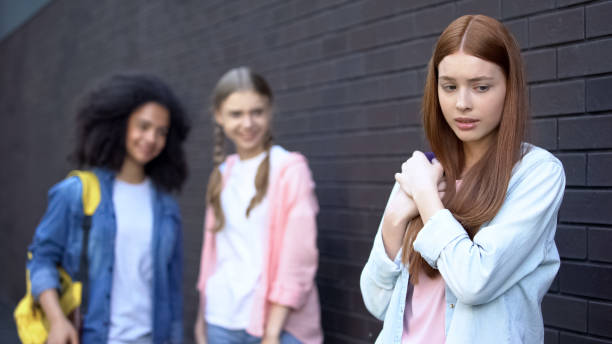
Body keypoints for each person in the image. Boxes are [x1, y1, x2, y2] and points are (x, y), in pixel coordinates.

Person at [360, 15, 565, 344]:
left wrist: (427, 199)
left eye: (481, 87)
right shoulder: (423, 170)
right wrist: (395, 219)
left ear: (509, 88)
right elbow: (376, 301)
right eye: (449, 86)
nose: (462, 103)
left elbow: (474, 282)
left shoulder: (536, 173)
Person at [27, 73, 190, 344]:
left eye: (161, 132)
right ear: (120, 124)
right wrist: (57, 320)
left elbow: (171, 292)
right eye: (143, 126)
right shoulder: (77, 193)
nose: (151, 138)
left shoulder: (166, 207)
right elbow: (41, 259)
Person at [194, 67, 322, 344]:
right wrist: (201, 320)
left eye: (257, 112)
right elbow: (212, 256)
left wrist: (272, 331)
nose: (247, 123)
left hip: (279, 325)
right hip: (220, 321)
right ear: (219, 116)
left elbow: (299, 257)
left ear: (270, 110)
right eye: (236, 114)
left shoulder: (290, 169)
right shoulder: (221, 174)